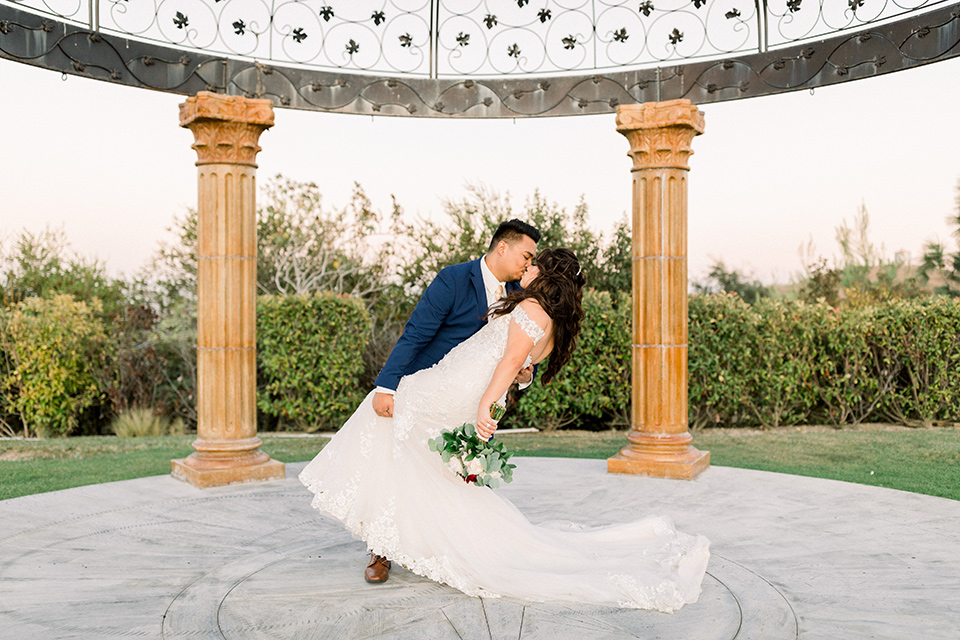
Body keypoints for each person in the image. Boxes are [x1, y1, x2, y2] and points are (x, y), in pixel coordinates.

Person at [299, 248, 711, 613]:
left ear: (547, 275)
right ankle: (391, 541)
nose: (527, 269)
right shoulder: (549, 320)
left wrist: (484, 405)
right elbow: (522, 367)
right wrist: (499, 392)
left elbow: (510, 363)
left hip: (453, 391)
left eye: (535, 264)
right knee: (424, 463)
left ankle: (394, 541)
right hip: (457, 388)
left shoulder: (531, 310)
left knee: (383, 424)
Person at [367, 218, 542, 581]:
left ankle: (452, 551)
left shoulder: (520, 294)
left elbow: (518, 351)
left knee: (458, 477)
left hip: (476, 403)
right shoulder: (454, 279)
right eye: (526, 255)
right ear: (502, 247)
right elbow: (416, 332)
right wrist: (387, 386)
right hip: (431, 392)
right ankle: (381, 550)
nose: (529, 264)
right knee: (402, 467)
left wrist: (525, 376)